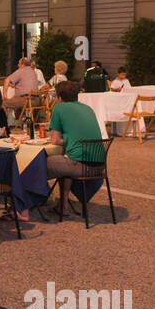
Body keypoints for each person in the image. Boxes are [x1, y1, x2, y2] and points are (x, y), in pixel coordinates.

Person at [46, 80, 103, 216]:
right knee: (66, 160)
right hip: (99, 166)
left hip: (80, 165)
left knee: (37, 163)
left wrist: (66, 140)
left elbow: (54, 140)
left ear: (59, 97)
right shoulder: (88, 108)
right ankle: (63, 205)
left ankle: (28, 203)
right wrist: (71, 140)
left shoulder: (59, 108)